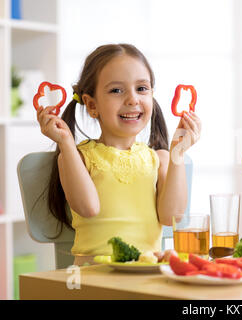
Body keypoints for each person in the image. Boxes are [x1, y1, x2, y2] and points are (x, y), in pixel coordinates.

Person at [36, 44, 201, 265]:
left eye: (142, 88)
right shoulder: (77, 157)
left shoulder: (160, 159)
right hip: (94, 278)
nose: (133, 99)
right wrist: (65, 143)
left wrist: (178, 152)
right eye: (116, 90)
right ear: (92, 105)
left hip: (145, 277)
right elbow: (88, 207)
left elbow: (172, 216)